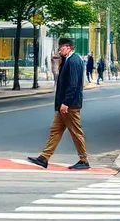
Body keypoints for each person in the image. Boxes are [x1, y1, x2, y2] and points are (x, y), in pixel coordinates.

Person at [28, 38, 89, 170]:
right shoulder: (69, 60)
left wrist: (66, 103)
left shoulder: (73, 61)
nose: (60, 50)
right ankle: (44, 157)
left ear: (69, 47)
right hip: (64, 104)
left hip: (70, 105)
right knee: (55, 131)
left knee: (75, 132)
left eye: (61, 47)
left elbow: (73, 85)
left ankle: (84, 159)